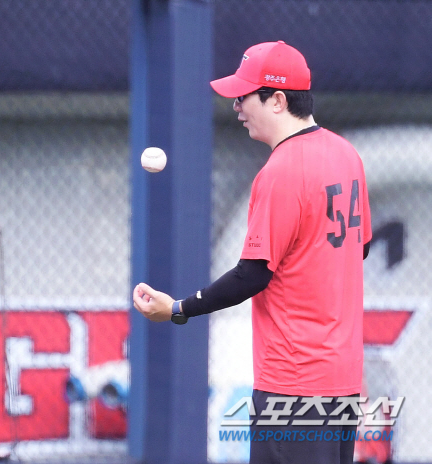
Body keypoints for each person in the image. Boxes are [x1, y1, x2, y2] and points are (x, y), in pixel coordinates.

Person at [133, 41, 372, 464]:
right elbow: (360, 246)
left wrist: (178, 309)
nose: (237, 106)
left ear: (278, 100)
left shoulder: (280, 172)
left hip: (293, 388)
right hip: (343, 382)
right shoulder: (346, 154)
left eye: (244, 97)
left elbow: (252, 275)